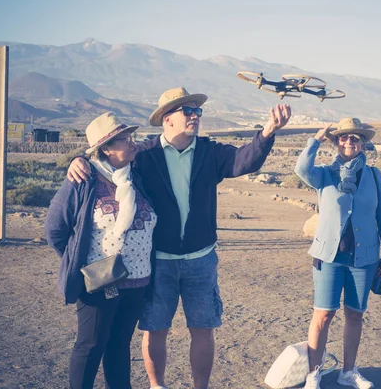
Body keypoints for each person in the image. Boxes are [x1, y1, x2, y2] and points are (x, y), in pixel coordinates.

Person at [66, 87, 292, 389]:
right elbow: (107, 159)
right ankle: (157, 386)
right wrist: (79, 159)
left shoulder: (210, 152)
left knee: (202, 328)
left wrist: (267, 133)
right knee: (155, 329)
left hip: (200, 259)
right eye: (188, 111)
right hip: (158, 261)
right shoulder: (145, 155)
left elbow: (244, 161)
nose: (195, 116)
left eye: (198, 111)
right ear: (167, 118)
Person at [45, 112, 157, 388]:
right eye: (124, 139)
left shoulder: (135, 177)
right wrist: (79, 263)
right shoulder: (83, 179)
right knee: (91, 344)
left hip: (138, 280)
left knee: (119, 345)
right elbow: (55, 230)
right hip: (100, 281)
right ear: (105, 148)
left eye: (132, 138)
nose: (133, 144)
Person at [294, 118, 381, 389]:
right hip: (328, 256)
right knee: (323, 314)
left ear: (364, 143)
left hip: (365, 258)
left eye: (355, 138)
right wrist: (316, 139)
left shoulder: (374, 175)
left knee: (354, 314)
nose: (349, 142)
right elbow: (301, 168)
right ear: (337, 142)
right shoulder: (325, 174)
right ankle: (313, 374)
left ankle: (348, 372)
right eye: (343, 137)